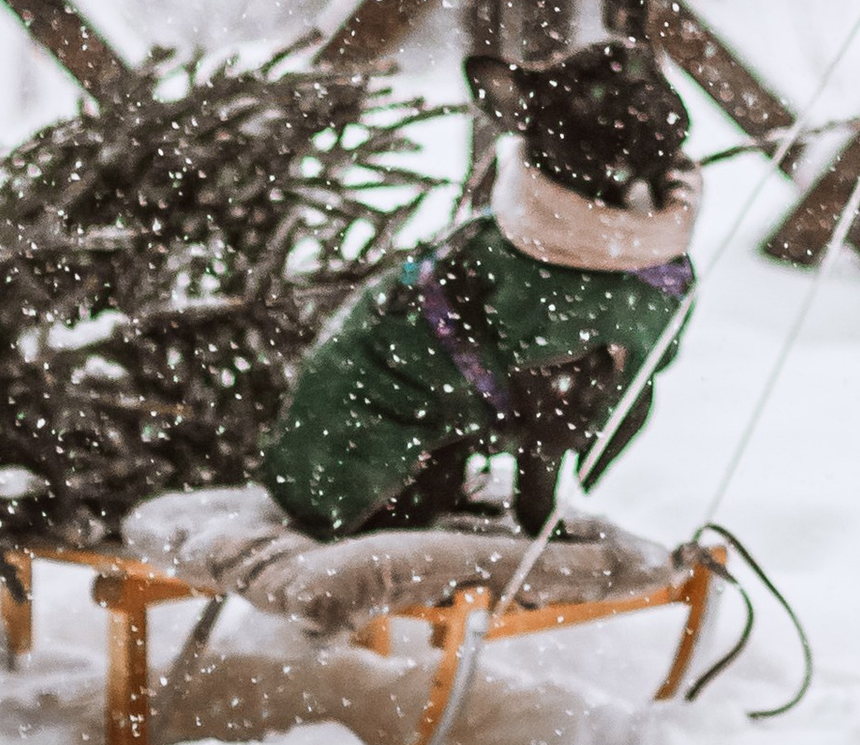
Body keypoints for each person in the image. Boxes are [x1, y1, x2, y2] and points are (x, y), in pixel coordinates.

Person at [260, 39, 700, 542]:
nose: (640, 120)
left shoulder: (574, 254)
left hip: (398, 447)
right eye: (604, 114)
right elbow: (547, 409)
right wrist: (539, 518)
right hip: (355, 470)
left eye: (646, 92)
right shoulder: (543, 272)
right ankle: (393, 508)